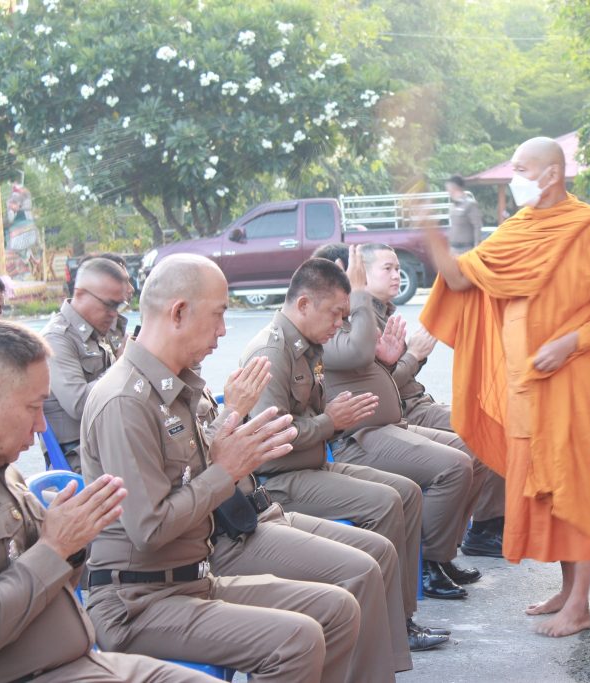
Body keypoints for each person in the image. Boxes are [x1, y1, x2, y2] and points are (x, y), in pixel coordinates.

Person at [81, 254, 361, 683]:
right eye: (218, 315)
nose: (224, 330)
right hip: (139, 602)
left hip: (193, 580)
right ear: (178, 312)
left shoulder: (172, 387)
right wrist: (226, 470)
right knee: (297, 640)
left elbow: (199, 469)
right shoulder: (125, 400)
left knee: (337, 608)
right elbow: (149, 530)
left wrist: (231, 441)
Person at [420, 136, 590, 636]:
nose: (514, 177)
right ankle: (566, 590)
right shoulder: (517, 229)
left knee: (574, 483)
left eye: (521, 169)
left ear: (551, 174)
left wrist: (571, 342)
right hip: (524, 383)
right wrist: (432, 236)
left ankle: (580, 604)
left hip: (569, 379)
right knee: (546, 486)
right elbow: (463, 279)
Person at [0, 319, 215, 682]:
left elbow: (50, 578)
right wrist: (54, 547)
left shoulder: (2, 471)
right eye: (33, 407)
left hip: (77, 658)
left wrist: (73, 546)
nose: (41, 426)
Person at [239, 258, 444, 647]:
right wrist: (330, 422)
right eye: (334, 314)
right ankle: (387, 631)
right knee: (384, 503)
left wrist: (332, 420)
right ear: (303, 304)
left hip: (314, 464)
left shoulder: (309, 345)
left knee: (406, 492)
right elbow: (271, 437)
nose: (339, 324)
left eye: (344, 315)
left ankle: (400, 618)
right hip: (280, 478)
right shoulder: (271, 351)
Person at [198, 361, 420, 676]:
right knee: (358, 570)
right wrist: (231, 415)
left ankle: (390, 654)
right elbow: (175, 496)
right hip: (233, 531)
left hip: (260, 508)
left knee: (379, 549)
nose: (219, 336)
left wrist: (331, 419)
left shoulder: (186, 380)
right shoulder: (271, 352)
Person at [319, 244, 480, 598]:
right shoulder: (329, 320)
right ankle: (427, 562)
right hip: (357, 436)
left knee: (471, 447)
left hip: (387, 424)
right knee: (453, 466)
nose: (396, 276)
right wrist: (359, 296)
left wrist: (391, 361)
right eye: (384, 269)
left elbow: (374, 371)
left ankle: (441, 553)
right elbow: (358, 354)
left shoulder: (359, 313)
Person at [358, 242, 506, 557]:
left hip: (417, 403)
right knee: (484, 437)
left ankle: (467, 532)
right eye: (387, 269)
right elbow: (380, 387)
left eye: (398, 268)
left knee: (496, 422)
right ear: (362, 275)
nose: (397, 275)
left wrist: (414, 356)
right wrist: (414, 355)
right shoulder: (361, 321)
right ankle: (469, 534)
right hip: (403, 412)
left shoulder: (383, 312)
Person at [41, 257, 131, 471]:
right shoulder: (57, 338)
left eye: (118, 305)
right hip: (79, 454)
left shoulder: (100, 329)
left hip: (110, 439)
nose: (114, 313)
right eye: (109, 305)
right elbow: (79, 404)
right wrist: (123, 365)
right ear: (80, 294)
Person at [446, 175, 483, 253]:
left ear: (455, 187)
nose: (448, 191)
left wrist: (477, 247)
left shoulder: (470, 204)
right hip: (453, 249)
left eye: (449, 188)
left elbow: (477, 226)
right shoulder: (453, 206)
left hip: (466, 249)